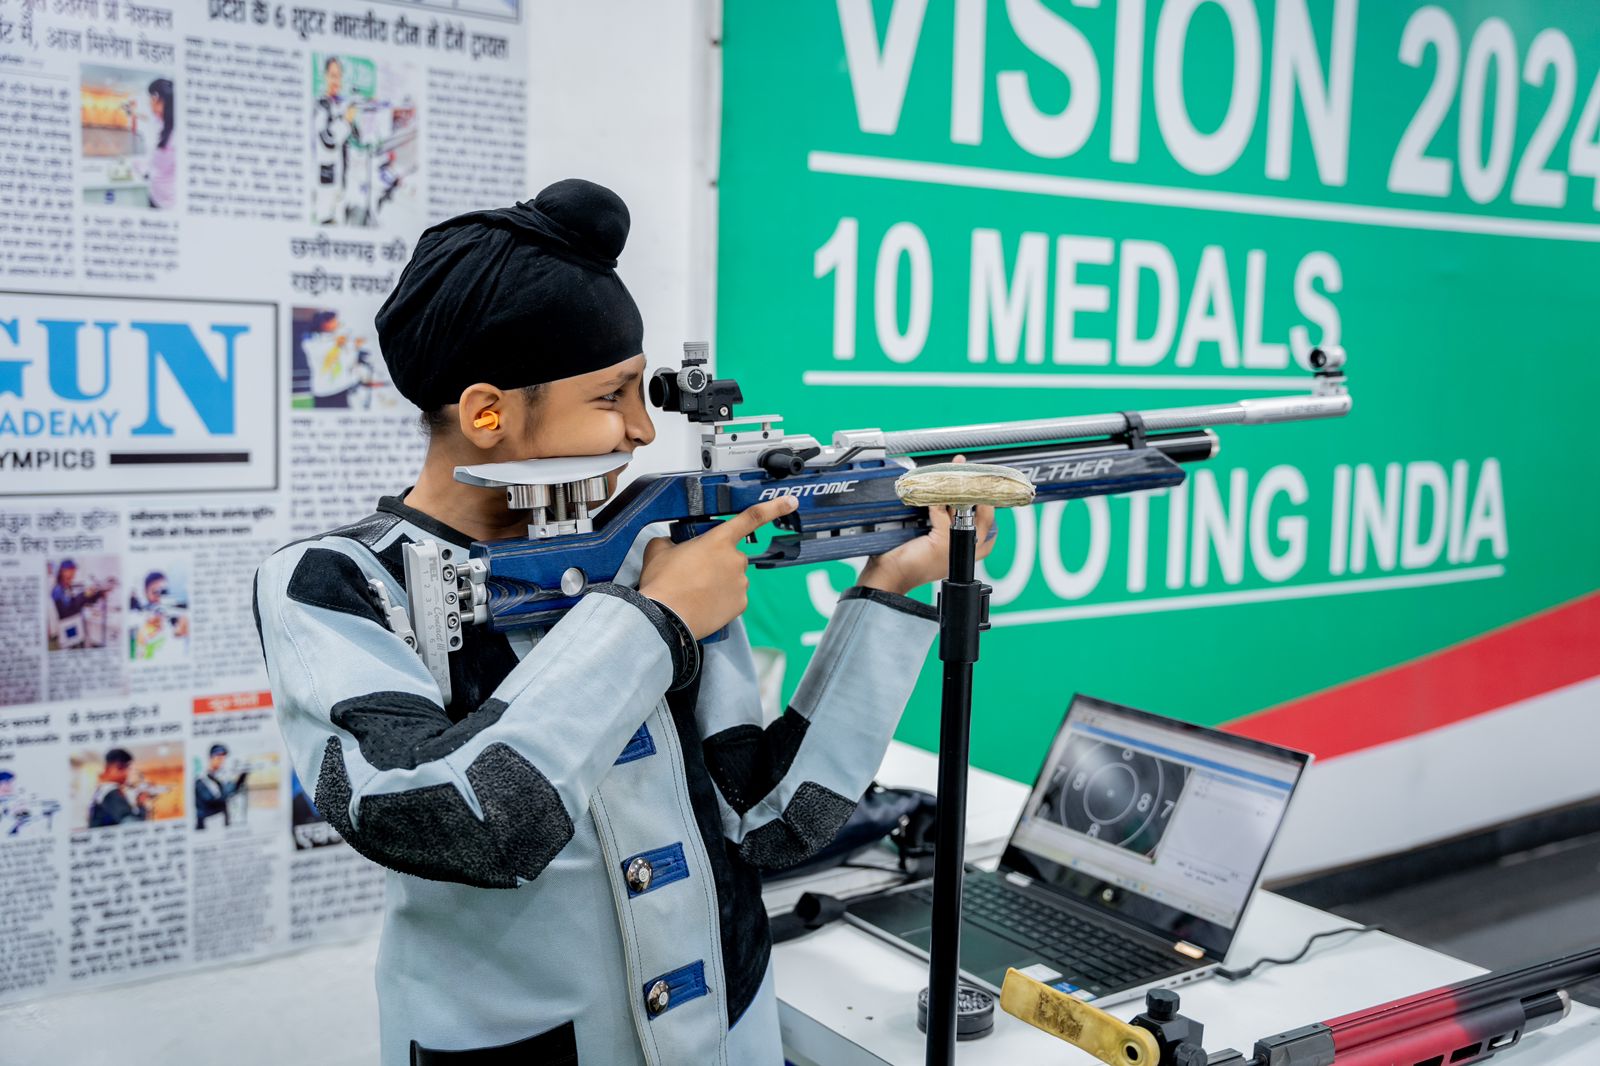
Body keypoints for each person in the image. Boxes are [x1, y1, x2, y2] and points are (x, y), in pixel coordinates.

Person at [253, 178, 995, 1065]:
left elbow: (770, 820)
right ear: (487, 413)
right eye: (612, 397)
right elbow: (451, 821)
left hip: (732, 1027)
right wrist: (653, 621)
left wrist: (895, 589)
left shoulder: (641, 547)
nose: (644, 429)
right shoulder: (335, 583)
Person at [312, 56, 358, 225]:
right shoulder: (321, 105)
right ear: (325, 76)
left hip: (342, 183)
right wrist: (346, 121)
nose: (335, 80)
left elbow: (355, 138)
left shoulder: (340, 106)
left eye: (339, 76)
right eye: (332, 75)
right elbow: (328, 141)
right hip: (326, 183)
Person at [50, 559, 114, 648]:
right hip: (68, 627)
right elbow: (67, 609)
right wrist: (84, 594)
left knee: (80, 644)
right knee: (73, 648)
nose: (73, 575)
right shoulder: (57, 590)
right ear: (63, 572)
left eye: (74, 572)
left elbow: (81, 602)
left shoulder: (68, 587)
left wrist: (99, 594)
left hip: (76, 625)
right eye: (71, 572)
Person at [87, 748, 152, 827]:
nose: (126, 774)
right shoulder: (110, 791)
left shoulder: (102, 790)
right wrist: (142, 806)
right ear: (115, 767)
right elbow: (132, 824)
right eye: (126, 768)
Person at [193, 743, 248, 829]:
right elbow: (216, 800)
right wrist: (235, 779)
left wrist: (242, 778)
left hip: (221, 825)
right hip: (208, 827)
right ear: (210, 758)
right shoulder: (200, 780)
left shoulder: (219, 777)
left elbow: (232, 792)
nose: (221, 761)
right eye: (219, 758)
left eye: (223, 758)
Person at [145, 78, 175, 209]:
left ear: (156, 98)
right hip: (155, 196)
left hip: (166, 204)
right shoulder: (161, 123)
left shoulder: (174, 136)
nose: (149, 102)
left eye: (150, 97)